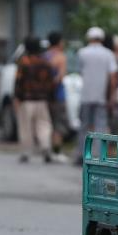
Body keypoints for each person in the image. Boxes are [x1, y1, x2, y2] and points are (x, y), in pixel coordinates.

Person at [73, 26, 118, 165]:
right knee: (100, 126)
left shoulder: (82, 53)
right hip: (101, 97)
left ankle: (81, 154)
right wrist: (111, 96)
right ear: (102, 39)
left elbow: (79, 72)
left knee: (84, 126)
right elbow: (113, 77)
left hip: (85, 96)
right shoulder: (108, 54)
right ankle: (97, 157)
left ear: (89, 38)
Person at [13, 35, 56, 164]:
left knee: (25, 126)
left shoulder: (24, 62)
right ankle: (46, 147)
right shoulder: (46, 64)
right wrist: (50, 97)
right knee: (44, 125)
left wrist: (17, 97)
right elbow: (51, 83)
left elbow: (18, 81)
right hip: (42, 99)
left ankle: (26, 151)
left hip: (26, 99)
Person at [43, 31, 70, 163]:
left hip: (44, 96)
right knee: (58, 125)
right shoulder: (60, 57)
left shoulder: (44, 56)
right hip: (58, 95)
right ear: (59, 42)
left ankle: (47, 150)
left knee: (47, 124)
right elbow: (60, 77)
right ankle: (57, 152)